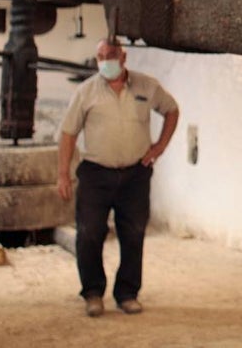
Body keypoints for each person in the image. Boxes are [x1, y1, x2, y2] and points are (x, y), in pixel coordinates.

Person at [57, 37, 180, 317]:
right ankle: (92, 293)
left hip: (135, 174)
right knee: (89, 233)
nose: (105, 61)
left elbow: (172, 110)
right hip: (95, 174)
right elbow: (68, 133)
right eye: (100, 56)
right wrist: (63, 174)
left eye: (110, 55)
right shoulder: (86, 92)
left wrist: (159, 147)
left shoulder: (146, 86)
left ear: (123, 57)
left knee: (134, 233)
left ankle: (127, 293)